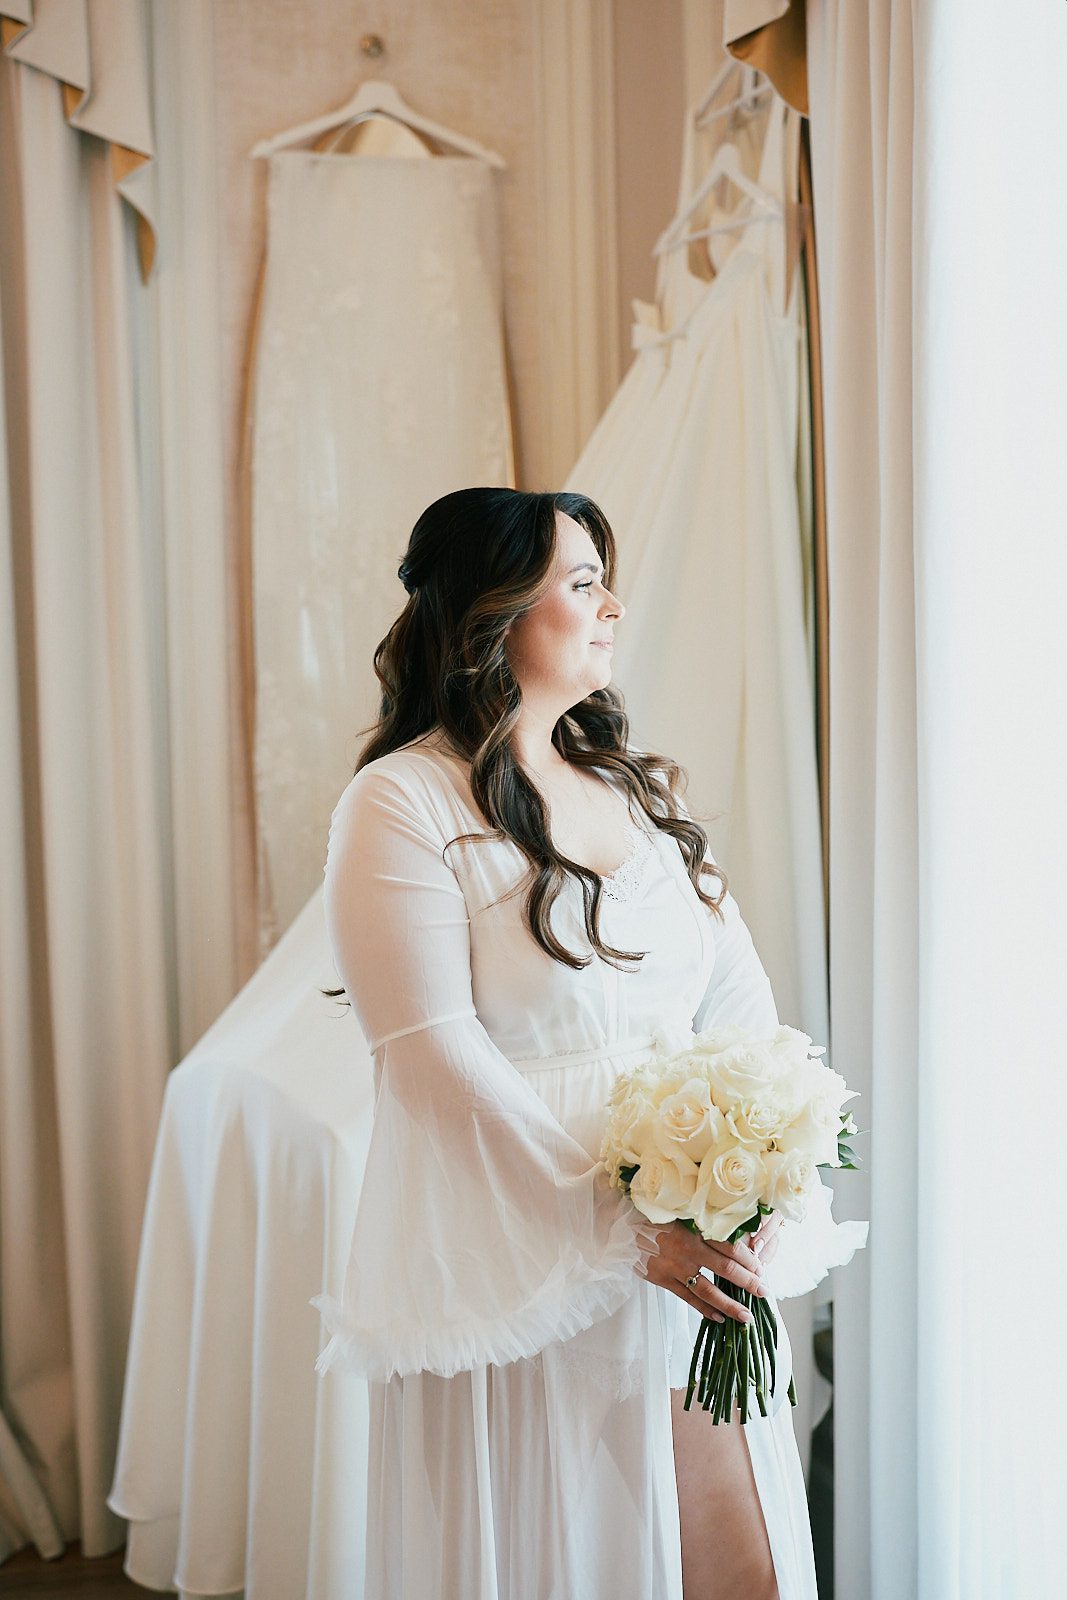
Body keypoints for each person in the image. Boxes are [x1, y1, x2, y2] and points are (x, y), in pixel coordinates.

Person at [314, 486, 857, 1599]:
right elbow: (430, 1055)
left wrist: (758, 1170)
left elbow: (738, 1000)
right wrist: (619, 1223)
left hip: (687, 1241)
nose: (611, 606)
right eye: (581, 582)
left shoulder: (630, 786)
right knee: (565, 1557)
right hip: (524, 1246)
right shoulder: (401, 802)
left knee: (736, 1568)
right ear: (493, 614)